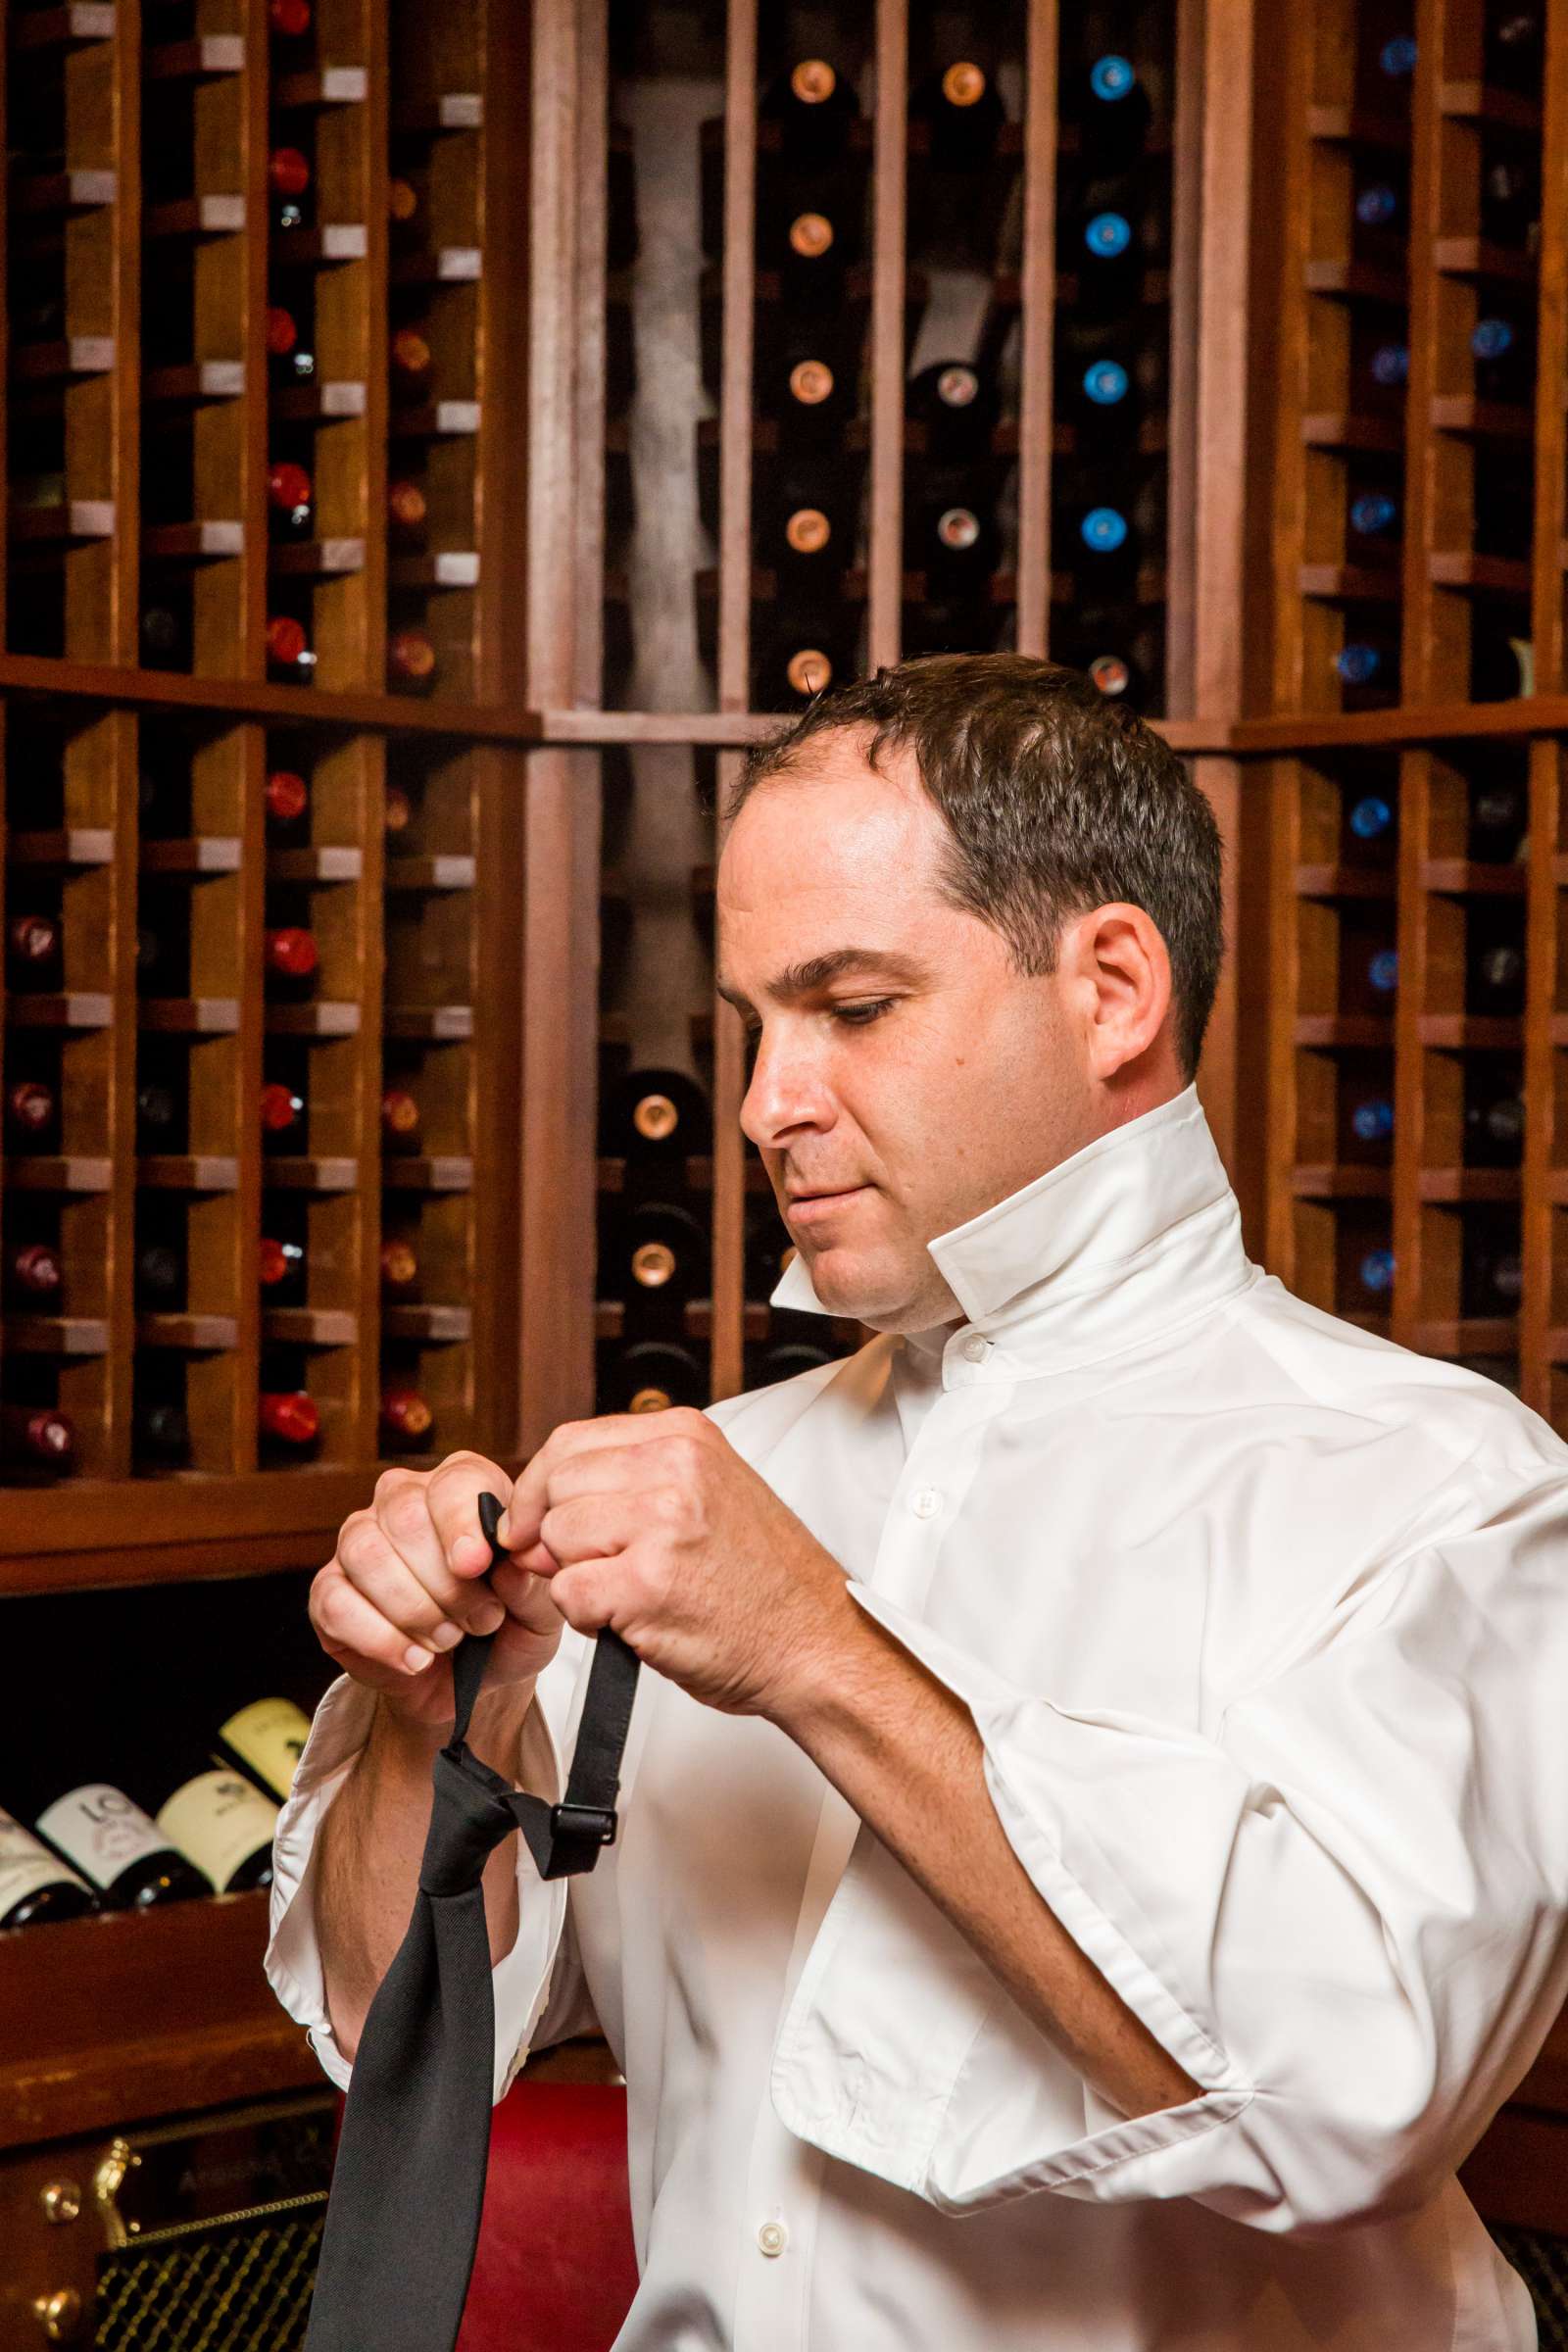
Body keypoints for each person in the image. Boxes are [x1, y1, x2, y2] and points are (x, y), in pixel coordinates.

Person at [266, 655, 1568, 2349]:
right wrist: (420, 1720)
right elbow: (394, 2033)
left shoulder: (1442, 1490)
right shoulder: (724, 1475)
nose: (762, 1105)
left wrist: (818, 1648)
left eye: (853, 1008)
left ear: (1111, 989)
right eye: (754, 1026)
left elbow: (1348, 2110)